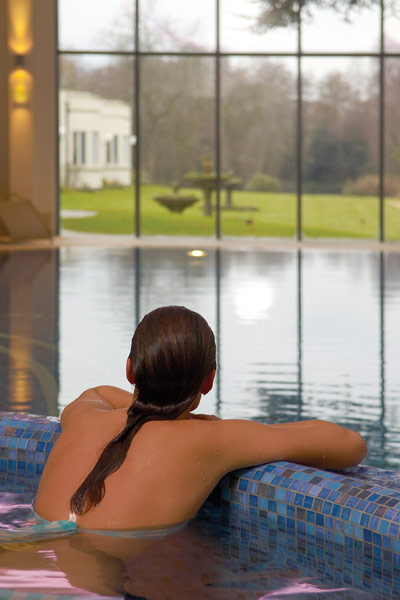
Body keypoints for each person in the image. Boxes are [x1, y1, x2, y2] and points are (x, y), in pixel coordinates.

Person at [34, 305, 367, 533]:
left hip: (31, 555)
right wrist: (194, 420)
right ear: (209, 380)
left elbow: (99, 392)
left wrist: (155, 408)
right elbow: (350, 444)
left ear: (130, 370)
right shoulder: (211, 439)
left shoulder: (84, 416)